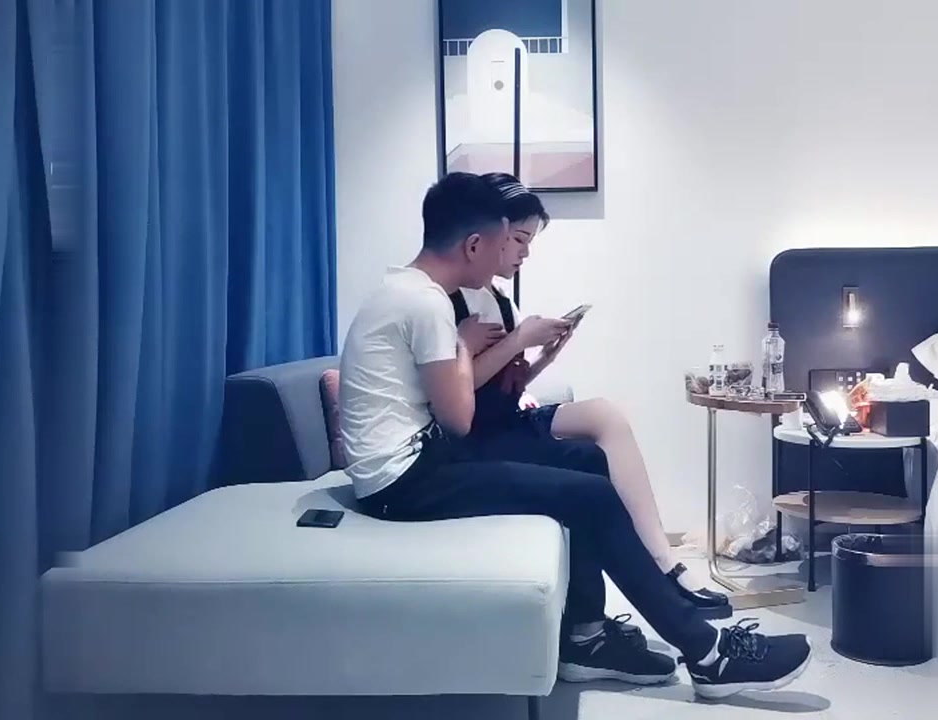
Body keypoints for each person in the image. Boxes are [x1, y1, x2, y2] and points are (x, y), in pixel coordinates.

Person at [338, 172, 810, 698]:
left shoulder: (407, 291)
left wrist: (482, 353)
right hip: (404, 482)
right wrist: (466, 349)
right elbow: (459, 420)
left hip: (417, 464)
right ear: (474, 244)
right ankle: (709, 654)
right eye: (504, 242)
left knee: (587, 461)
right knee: (593, 495)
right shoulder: (426, 305)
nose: (510, 256)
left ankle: (586, 637)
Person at [452, 172, 731, 615]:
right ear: (489, 236)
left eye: (528, 241)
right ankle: (657, 571)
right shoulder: (454, 302)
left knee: (605, 415)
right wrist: (518, 340)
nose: (525, 252)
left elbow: (505, 385)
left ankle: (664, 560)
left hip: (506, 417)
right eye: (518, 240)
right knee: (591, 462)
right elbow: (458, 391)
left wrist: (545, 357)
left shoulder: (499, 297)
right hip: (483, 435)